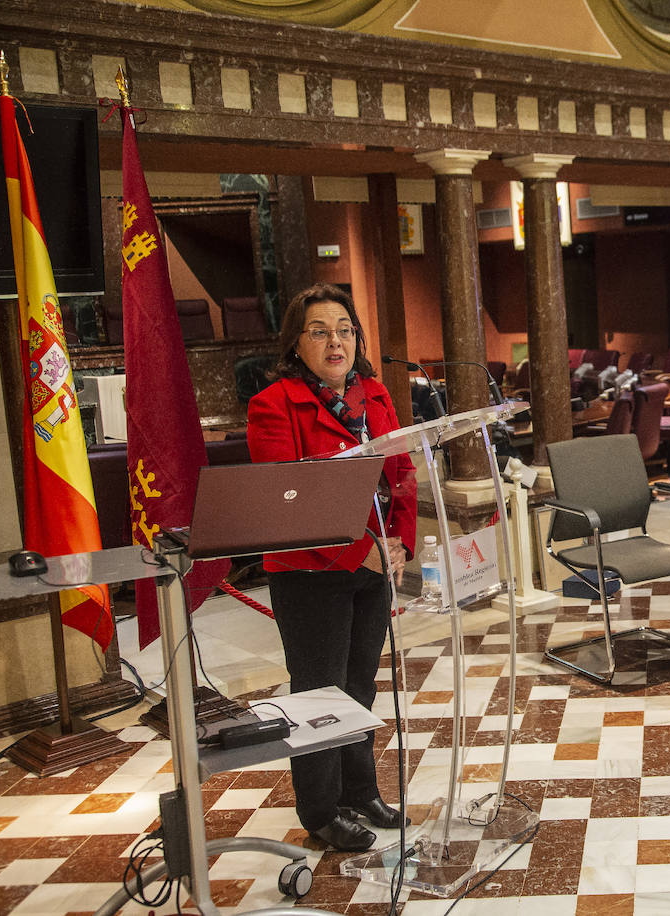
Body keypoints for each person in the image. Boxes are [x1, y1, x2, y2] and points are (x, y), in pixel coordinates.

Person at [247, 283, 417, 852]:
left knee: (360, 685)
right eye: (320, 331)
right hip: (309, 571)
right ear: (297, 343)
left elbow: (402, 475)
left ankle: (359, 790)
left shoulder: (374, 393)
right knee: (320, 692)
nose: (335, 341)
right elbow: (288, 500)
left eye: (345, 329)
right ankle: (320, 811)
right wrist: (361, 550)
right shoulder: (272, 405)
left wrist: (400, 544)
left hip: (373, 565)